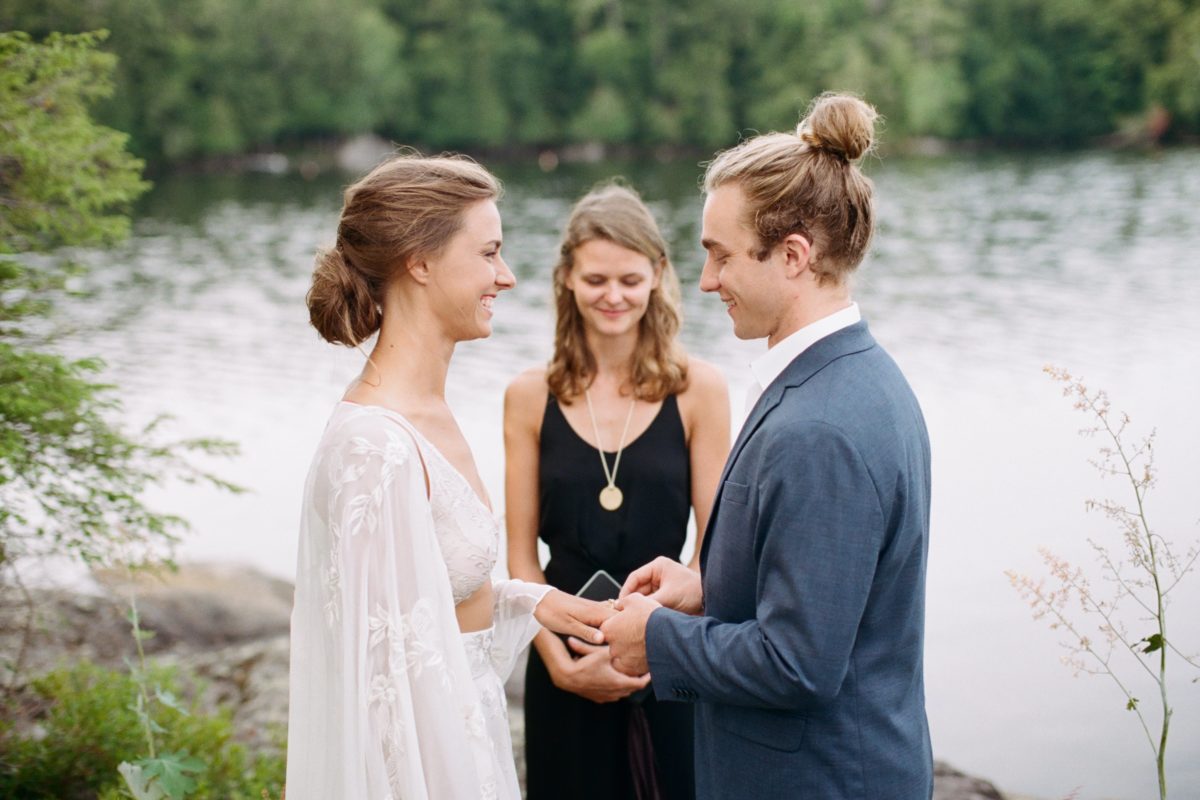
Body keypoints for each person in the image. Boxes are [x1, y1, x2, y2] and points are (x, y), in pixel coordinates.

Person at [602, 93, 934, 799]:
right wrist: (711, 590)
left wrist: (657, 640)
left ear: (793, 256)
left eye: (722, 256)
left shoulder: (821, 429)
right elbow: (825, 596)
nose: (706, 281)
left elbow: (800, 664)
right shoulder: (851, 377)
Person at [286, 153, 614, 800]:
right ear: (420, 262)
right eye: (489, 253)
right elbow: (379, 697)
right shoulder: (373, 449)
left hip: (474, 739)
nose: (508, 276)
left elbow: (434, 609)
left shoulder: (429, 411)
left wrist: (535, 601)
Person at [504, 183, 730, 800]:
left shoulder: (699, 390)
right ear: (567, 279)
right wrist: (558, 662)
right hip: (563, 656)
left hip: (668, 656)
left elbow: (714, 551)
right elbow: (522, 560)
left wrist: (654, 643)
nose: (613, 296)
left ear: (658, 275)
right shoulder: (529, 395)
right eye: (596, 279)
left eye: (630, 279)